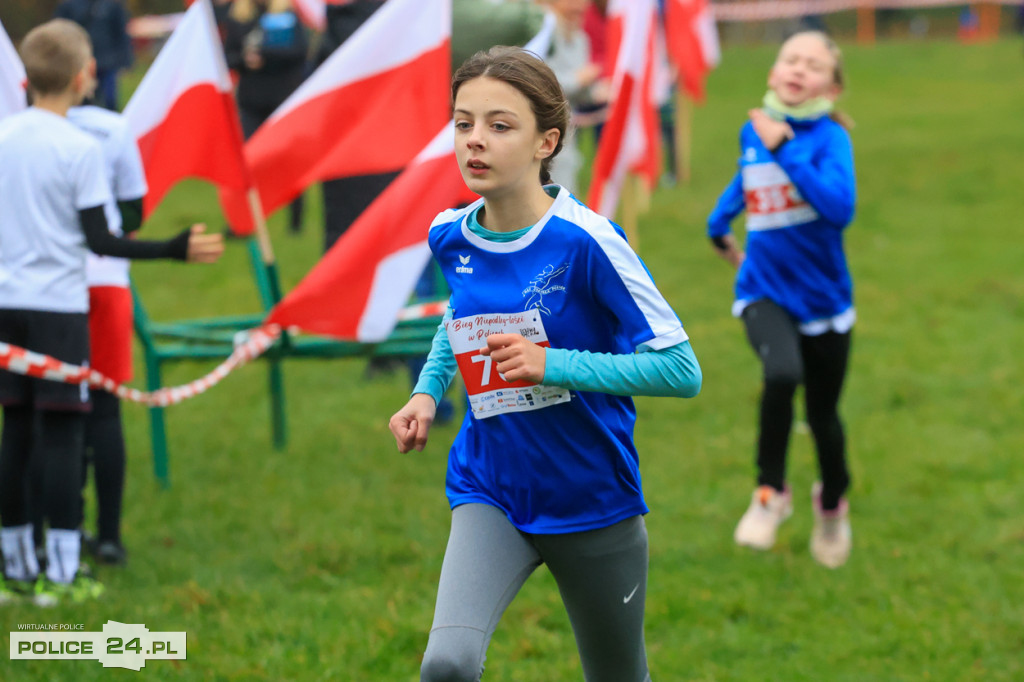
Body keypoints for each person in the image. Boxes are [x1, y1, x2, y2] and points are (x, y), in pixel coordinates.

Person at [388, 46, 701, 682]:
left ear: (545, 142)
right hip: (491, 486)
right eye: (463, 122)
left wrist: (554, 364)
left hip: (591, 496)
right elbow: (462, 314)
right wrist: (427, 390)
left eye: (500, 126)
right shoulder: (451, 233)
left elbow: (680, 368)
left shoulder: (589, 241)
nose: (475, 141)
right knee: (445, 666)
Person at [0, 19, 223, 605]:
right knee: (63, 435)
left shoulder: (2, 137)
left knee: (15, 432)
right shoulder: (81, 148)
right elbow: (104, 240)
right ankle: (66, 575)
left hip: (7, 308)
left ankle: (16, 570)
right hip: (59, 310)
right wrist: (173, 250)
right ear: (83, 77)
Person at [705, 31, 856, 569]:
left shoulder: (830, 140)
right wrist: (720, 231)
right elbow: (746, 184)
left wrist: (785, 147)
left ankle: (833, 504)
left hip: (826, 304)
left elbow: (839, 208)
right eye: (790, 59)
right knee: (781, 374)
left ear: (832, 87)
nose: (799, 69)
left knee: (823, 417)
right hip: (764, 294)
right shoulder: (756, 131)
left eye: (814, 65)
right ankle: (770, 493)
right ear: (772, 73)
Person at [67, 67, 150, 567]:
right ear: (87, 74)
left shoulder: (20, 129)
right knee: (105, 410)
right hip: (106, 281)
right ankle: (111, 535)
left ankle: (55, 528)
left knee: (45, 413)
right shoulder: (112, 128)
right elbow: (134, 214)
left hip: (46, 288)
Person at [224, 0, 308, 234]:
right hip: (252, 102)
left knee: (289, 162)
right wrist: (244, 60)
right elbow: (227, 56)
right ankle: (242, 221)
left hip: (283, 101)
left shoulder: (288, 14)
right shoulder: (239, 16)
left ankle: (296, 221)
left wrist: (266, 56)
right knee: (247, 162)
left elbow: (300, 52)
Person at [55, 0, 133, 110]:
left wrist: (125, 61)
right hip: (80, 62)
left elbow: (121, 34)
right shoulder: (69, 5)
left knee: (109, 101)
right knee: (80, 101)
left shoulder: (112, 5)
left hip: (107, 62)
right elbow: (60, 32)